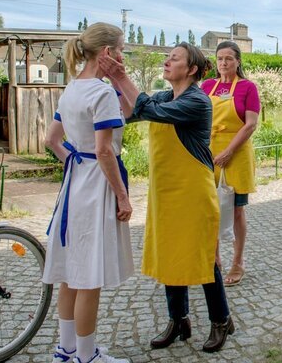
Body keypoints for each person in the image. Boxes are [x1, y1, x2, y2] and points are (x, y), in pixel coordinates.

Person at [99, 42, 235, 353]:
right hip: (165, 191)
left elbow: (149, 111)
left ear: (191, 69)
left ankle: (221, 320)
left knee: (202, 257)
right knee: (171, 254)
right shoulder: (163, 96)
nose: (167, 61)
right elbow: (132, 112)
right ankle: (179, 321)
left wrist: (121, 76)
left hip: (193, 192)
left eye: (174, 58)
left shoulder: (197, 101)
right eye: (167, 57)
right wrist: (112, 81)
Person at [43, 22, 134, 363]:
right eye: (120, 50)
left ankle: (66, 351)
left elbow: (51, 140)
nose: (123, 56)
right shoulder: (101, 93)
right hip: (97, 188)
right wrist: (122, 196)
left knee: (71, 273)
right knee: (89, 277)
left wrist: (75, 163)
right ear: (107, 52)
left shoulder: (72, 89)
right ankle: (86, 357)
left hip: (75, 182)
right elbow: (105, 150)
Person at [200, 40, 260, 286]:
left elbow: (251, 124)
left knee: (235, 209)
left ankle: (238, 261)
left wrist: (228, 151)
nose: (223, 63)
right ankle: (214, 258)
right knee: (210, 208)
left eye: (229, 58)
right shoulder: (207, 86)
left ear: (238, 61)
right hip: (209, 152)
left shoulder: (248, 87)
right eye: (220, 58)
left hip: (237, 153)